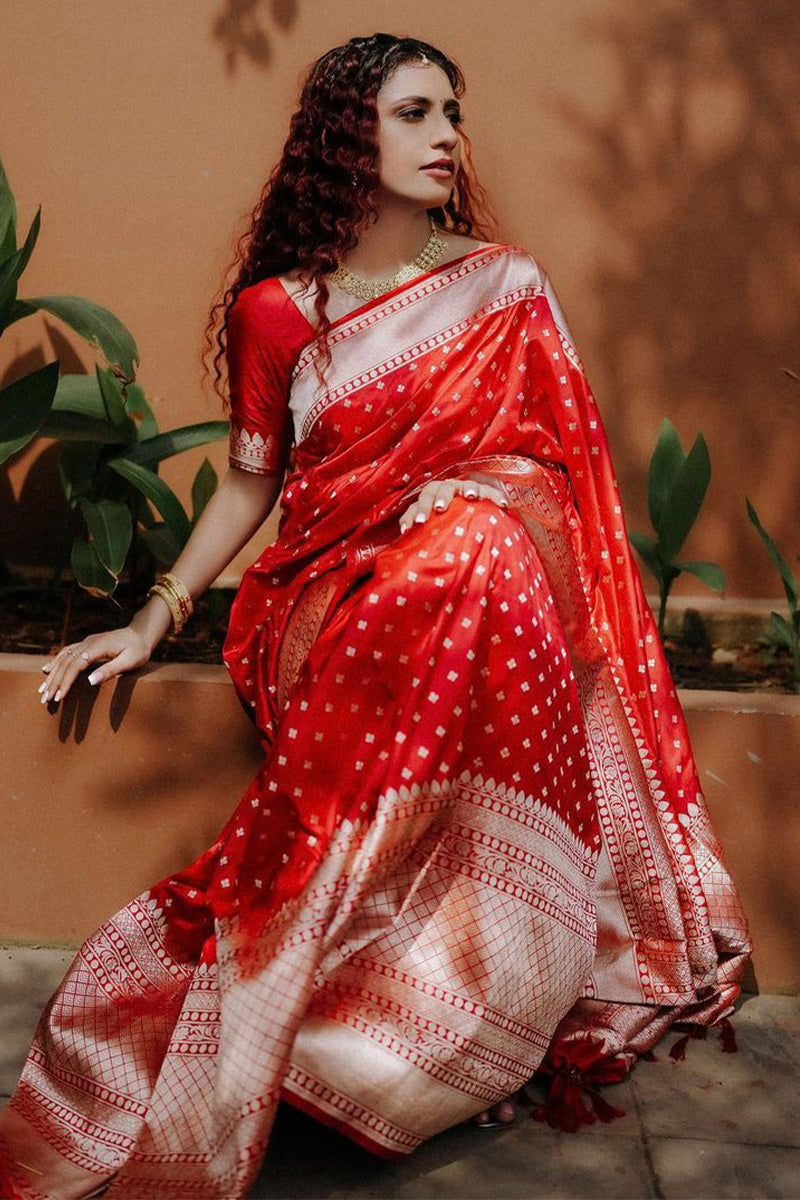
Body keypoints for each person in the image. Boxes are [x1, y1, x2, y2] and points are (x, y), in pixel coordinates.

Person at [0, 32, 752, 1200]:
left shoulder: (502, 288)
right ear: (346, 134)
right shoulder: (276, 313)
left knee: (482, 537)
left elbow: (561, 473)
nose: (447, 133)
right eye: (414, 112)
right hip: (324, 592)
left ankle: (434, 1017)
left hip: (468, 585)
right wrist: (155, 613)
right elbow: (254, 483)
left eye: (452, 110)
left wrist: (477, 490)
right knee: (460, 551)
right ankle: (311, 968)